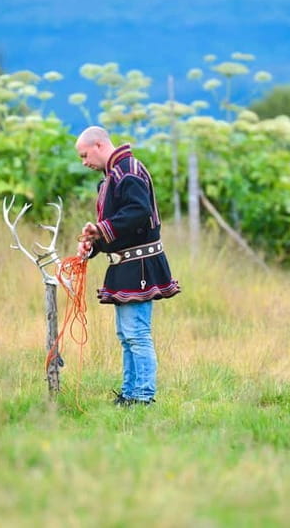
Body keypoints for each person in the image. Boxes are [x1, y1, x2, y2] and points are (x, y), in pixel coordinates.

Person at [75, 126, 180, 406]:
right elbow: (119, 227)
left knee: (137, 334)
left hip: (140, 265)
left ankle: (143, 397)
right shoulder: (111, 177)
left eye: (84, 155)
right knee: (126, 336)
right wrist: (93, 244)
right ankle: (130, 394)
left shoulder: (128, 171)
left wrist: (101, 229)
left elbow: (138, 212)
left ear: (99, 145)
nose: (84, 162)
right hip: (125, 265)